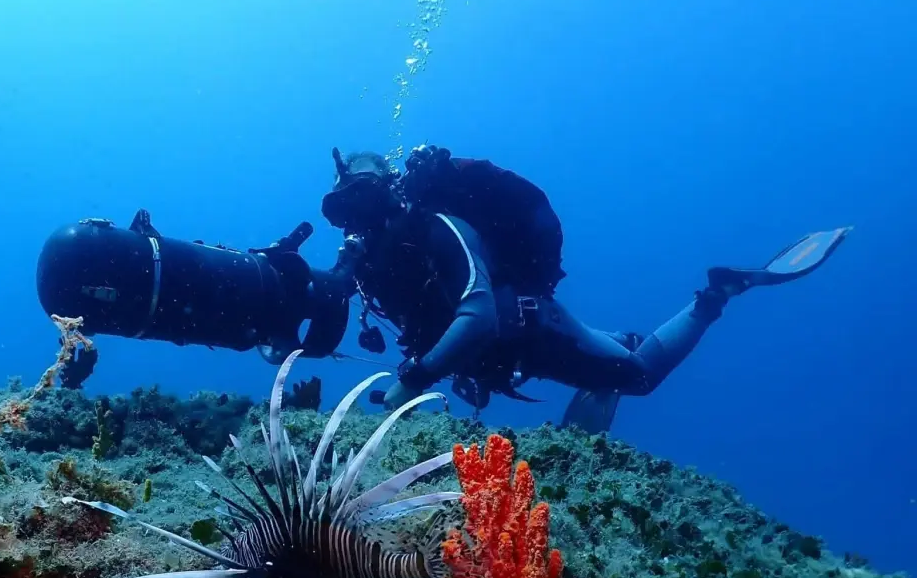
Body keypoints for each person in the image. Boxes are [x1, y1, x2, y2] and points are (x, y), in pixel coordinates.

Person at [319, 145, 851, 431]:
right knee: (612, 354)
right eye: (344, 207)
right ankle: (621, 336)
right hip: (500, 350)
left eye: (362, 197)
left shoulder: (434, 226)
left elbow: (478, 315)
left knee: (637, 378)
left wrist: (417, 376)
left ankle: (714, 297)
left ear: (388, 190)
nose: (355, 218)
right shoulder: (371, 260)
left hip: (529, 327)